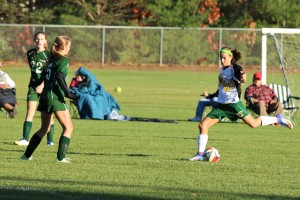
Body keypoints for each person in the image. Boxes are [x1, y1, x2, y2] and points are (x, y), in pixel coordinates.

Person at [189, 47, 294, 161]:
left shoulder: (234, 68)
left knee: (253, 124)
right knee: (202, 125)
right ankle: (200, 154)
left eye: (224, 58)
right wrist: (210, 95)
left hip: (234, 105)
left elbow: (241, 74)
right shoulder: (223, 71)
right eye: (220, 58)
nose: (222, 60)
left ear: (231, 57)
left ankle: (278, 119)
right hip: (222, 105)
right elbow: (221, 90)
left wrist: (242, 77)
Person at [20, 35, 78, 163]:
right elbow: (59, 76)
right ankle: (61, 158)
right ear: (64, 47)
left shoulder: (51, 60)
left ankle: (26, 155)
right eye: (68, 46)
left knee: (44, 128)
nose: (69, 49)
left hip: (45, 97)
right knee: (68, 128)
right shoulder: (63, 60)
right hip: (55, 97)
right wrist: (67, 93)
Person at [14, 32, 55, 146]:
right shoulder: (30, 53)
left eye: (42, 39)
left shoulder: (49, 55)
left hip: (45, 88)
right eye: (37, 39)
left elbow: (49, 73)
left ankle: (50, 141)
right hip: (32, 86)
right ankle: (25, 139)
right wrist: (36, 84)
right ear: (34, 40)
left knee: (48, 114)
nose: (39, 41)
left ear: (45, 41)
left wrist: (42, 85)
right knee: (30, 112)